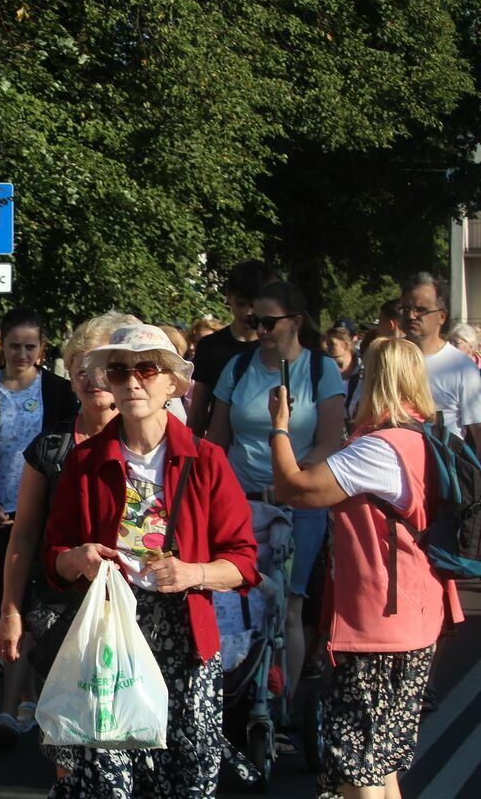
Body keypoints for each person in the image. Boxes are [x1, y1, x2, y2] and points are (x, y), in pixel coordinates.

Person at [42, 323, 259, 796]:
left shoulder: (205, 459)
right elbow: (53, 558)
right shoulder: (85, 462)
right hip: (110, 634)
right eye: (120, 372)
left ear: (171, 384)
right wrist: (76, 558)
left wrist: (193, 573)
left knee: (186, 777)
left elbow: (242, 562)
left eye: (146, 369)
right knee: (107, 778)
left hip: (186, 637)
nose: (133, 381)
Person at [268, 336, 463, 799]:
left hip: (379, 621)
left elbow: (295, 488)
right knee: (383, 760)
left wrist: (279, 427)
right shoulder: (430, 439)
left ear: (372, 380)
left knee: (358, 766)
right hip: (419, 616)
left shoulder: (378, 450)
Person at [0, 311, 136, 775]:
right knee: (71, 746)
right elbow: (25, 537)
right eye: (80, 366)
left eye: (103, 366)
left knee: (133, 736)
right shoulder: (51, 447)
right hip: (62, 608)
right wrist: (11, 612)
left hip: (137, 611)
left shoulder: (152, 448)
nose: (93, 378)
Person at [207, 281, 345, 715]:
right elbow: (216, 437)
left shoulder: (322, 371)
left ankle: (279, 707)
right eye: (253, 321)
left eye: (268, 321)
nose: (259, 329)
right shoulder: (239, 367)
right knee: (235, 596)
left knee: (290, 603)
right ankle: (236, 693)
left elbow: (329, 443)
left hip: (298, 504)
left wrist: (288, 480)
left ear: (296, 323)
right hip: (240, 503)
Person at [0, 308, 78, 745]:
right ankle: (23, 698)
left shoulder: (61, 392)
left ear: (42, 349)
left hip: (46, 512)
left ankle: (24, 700)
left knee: (35, 604)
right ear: (2, 347)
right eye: (14, 345)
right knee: (5, 601)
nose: (22, 353)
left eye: (31, 346)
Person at [187, 260, 279, 436]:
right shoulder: (210, 346)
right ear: (228, 296)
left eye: (254, 305)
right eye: (241, 303)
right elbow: (198, 410)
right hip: (220, 445)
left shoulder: (276, 346)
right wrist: (192, 456)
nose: (248, 312)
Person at [396, 273, 481, 444]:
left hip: (440, 465)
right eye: (406, 309)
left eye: (421, 310)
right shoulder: (388, 359)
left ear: (442, 316)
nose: (411, 315)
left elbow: (478, 433)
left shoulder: (461, 367)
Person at [324, 326, 363, 427]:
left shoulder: (364, 369)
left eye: (331, 344)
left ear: (346, 345)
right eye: (327, 344)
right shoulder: (326, 370)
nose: (327, 348)